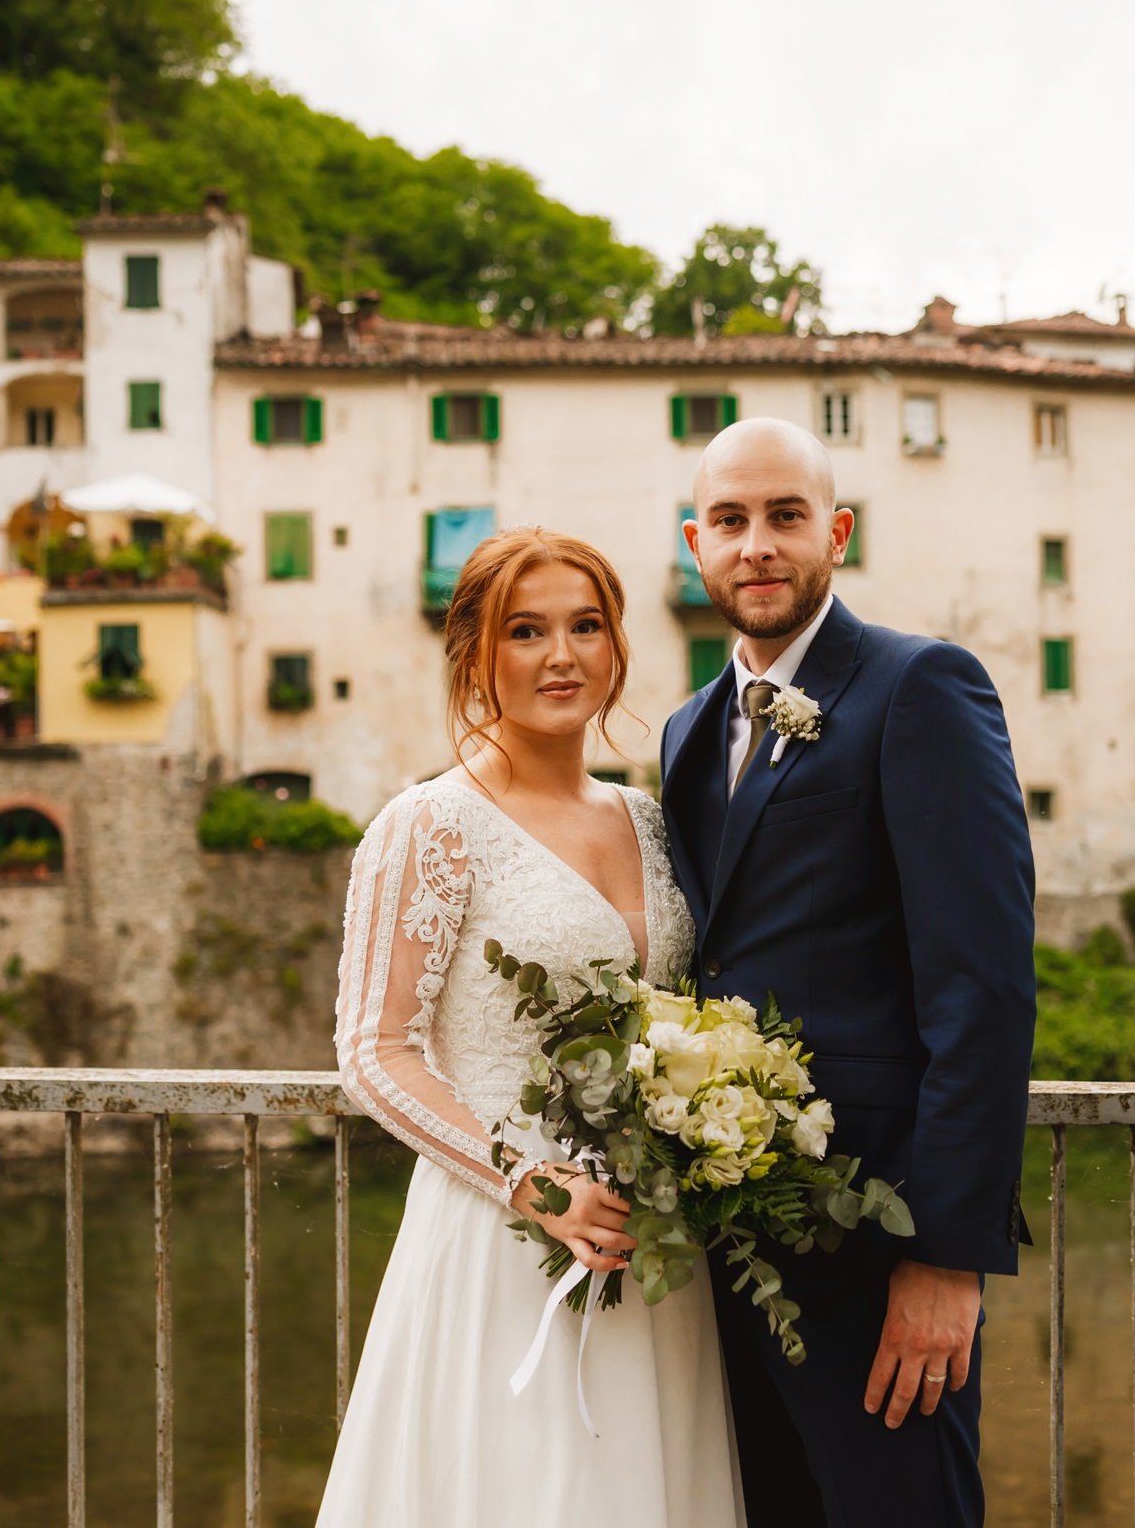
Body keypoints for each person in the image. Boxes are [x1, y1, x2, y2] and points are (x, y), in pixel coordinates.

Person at [319, 528, 742, 1527]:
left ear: (616, 644)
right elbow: (372, 1052)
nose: (563, 655)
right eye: (527, 630)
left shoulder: (648, 818)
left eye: (585, 625)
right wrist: (526, 1176)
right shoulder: (428, 823)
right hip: (501, 1240)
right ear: (476, 654)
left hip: (653, 1246)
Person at [660, 417, 1036, 1528]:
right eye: (729, 521)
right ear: (696, 544)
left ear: (836, 532)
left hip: (879, 1250)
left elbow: (982, 987)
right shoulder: (685, 732)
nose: (756, 545)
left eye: (784, 516)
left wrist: (945, 1258)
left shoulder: (919, 686)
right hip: (726, 1256)